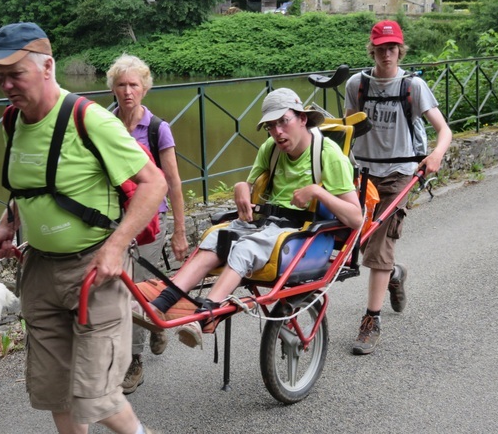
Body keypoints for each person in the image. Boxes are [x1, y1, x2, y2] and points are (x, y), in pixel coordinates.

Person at [0, 22, 166, 434]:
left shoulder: (90, 119)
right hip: (40, 271)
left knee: (94, 397)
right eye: (1, 77)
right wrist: (6, 225)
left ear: (48, 67)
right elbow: (28, 187)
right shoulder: (12, 121)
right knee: (56, 390)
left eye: (16, 74)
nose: (7, 85)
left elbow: (155, 184)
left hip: (94, 271)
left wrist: (116, 247)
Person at [136, 88, 364, 349]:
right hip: (267, 223)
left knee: (245, 248)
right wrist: (241, 187)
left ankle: (208, 314)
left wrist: (317, 192)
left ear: (302, 118)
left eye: (283, 121)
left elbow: (356, 219)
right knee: (215, 239)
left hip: (304, 232)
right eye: (270, 125)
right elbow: (253, 184)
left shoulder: (329, 154)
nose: (277, 131)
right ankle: (161, 304)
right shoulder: (271, 148)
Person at [344, 20, 452, 355]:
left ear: (400, 49)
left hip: (400, 173)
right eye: (381, 48)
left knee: (380, 242)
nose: (387, 54)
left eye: (392, 48)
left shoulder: (413, 86)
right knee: (354, 239)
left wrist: (435, 154)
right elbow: (346, 130)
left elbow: (443, 130)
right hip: (362, 175)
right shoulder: (356, 85)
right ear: (372, 49)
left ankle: (371, 320)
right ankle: (393, 274)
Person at [106, 54, 189, 394]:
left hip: (152, 220)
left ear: (145, 89)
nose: (127, 92)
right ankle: (153, 325)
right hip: (113, 218)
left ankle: (134, 360)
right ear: (112, 88)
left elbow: (173, 182)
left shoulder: (157, 129)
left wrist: (180, 232)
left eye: (134, 85)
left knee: (137, 286)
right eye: (121, 85)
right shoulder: (102, 124)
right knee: (119, 286)